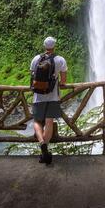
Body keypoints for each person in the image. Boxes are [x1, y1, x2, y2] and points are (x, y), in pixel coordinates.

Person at [30, 36, 67, 164]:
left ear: (44, 46)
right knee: (49, 122)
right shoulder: (60, 60)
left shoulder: (36, 59)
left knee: (36, 122)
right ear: (54, 46)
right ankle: (45, 148)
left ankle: (42, 145)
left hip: (38, 96)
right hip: (53, 96)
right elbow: (63, 81)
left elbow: (32, 75)